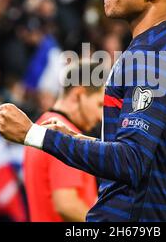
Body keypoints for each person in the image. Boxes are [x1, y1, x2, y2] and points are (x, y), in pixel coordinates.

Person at [0, 0, 166, 221]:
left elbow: (131, 162)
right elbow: (150, 155)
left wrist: (33, 135)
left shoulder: (152, 53)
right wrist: (78, 139)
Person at [24, 61, 102, 222]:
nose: (101, 116)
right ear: (79, 94)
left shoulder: (42, 125)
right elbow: (67, 204)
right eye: (99, 104)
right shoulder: (61, 134)